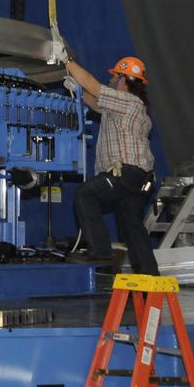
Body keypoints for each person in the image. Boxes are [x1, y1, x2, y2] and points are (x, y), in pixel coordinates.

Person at [62, 52, 160, 275]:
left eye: (115, 76)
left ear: (124, 80)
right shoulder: (126, 106)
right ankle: (149, 278)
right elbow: (96, 102)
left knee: (85, 194)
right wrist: (78, 91)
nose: (111, 79)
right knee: (132, 228)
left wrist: (67, 62)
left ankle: (101, 251)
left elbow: (94, 86)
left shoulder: (128, 101)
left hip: (127, 173)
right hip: (139, 178)